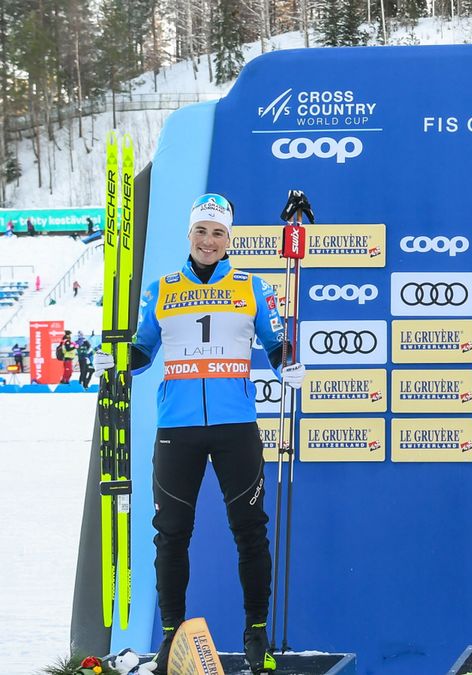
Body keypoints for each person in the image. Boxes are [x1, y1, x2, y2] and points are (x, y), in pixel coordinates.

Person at [93, 193, 305, 674]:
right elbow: (143, 351)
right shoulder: (162, 289)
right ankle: (172, 635)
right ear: (189, 235)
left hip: (235, 426)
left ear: (229, 239)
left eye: (218, 233)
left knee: (251, 532)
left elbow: (275, 342)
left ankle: (256, 631)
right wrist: (117, 362)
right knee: (170, 535)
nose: (209, 241)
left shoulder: (253, 286)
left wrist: (288, 363)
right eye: (201, 231)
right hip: (177, 428)